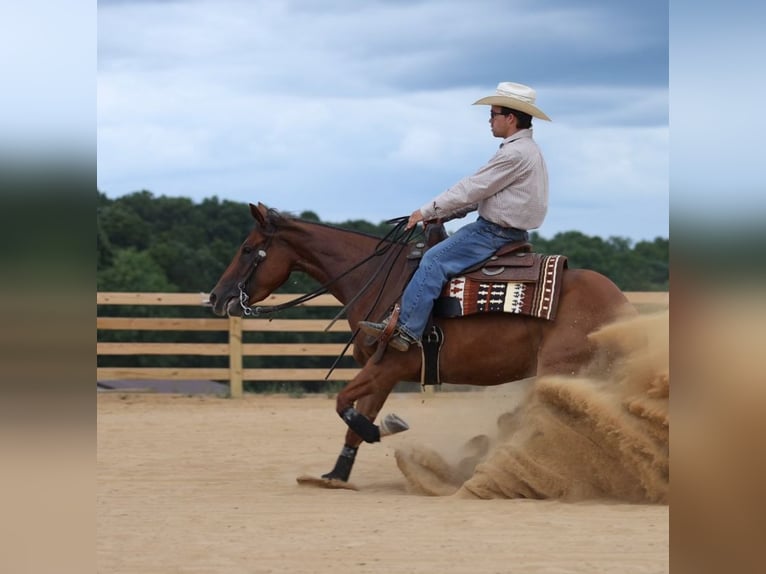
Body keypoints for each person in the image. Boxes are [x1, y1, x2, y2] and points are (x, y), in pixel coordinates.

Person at [359, 81, 551, 351]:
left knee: (434, 260)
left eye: (493, 114)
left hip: (491, 234)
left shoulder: (514, 153)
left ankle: (406, 330)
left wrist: (425, 211)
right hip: (507, 231)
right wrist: (444, 215)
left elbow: (471, 189)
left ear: (510, 118)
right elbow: (484, 195)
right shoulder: (528, 151)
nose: (489, 120)